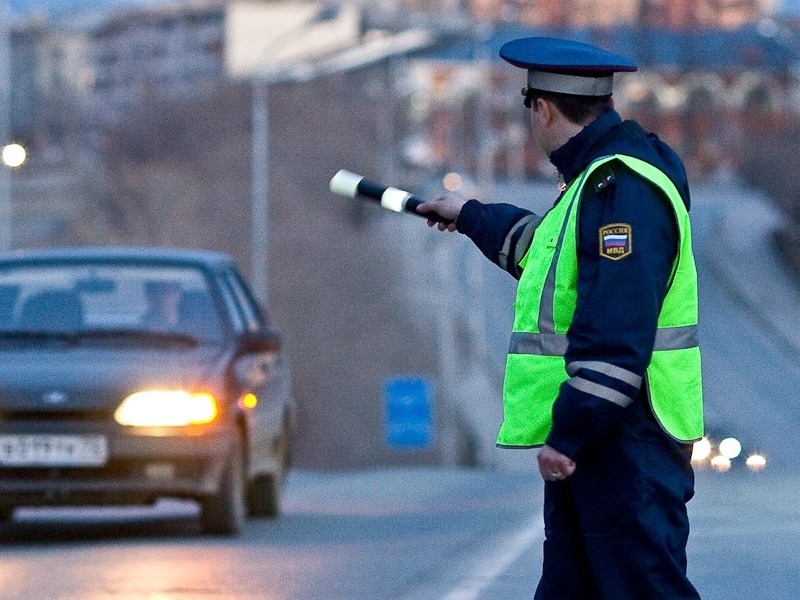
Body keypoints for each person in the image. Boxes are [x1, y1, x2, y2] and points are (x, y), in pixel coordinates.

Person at [417, 37, 703, 599]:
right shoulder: (595, 183)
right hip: (606, 440)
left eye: (528, 108)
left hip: (625, 440)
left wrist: (569, 435)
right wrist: (470, 216)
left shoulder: (622, 191)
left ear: (542, 109)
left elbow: (617, 331)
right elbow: (544, 254)